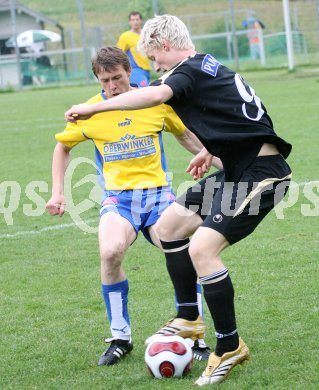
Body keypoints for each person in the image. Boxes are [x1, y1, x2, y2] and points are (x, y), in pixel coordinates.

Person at [64, 15, 292, 386]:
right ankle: (188, 316)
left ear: (165, 46)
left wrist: (95, 107)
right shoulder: (206, 65)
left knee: (203, 248)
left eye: (154, 59)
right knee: (170, 225)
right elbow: (236, 114)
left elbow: (153, 94)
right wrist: (213, 150)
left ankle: (229, 346)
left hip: (264, 174)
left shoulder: (185, 70)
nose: (155, 68)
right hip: (238, 168)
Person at [47, 46, 221, 367]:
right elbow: (62, 146)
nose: (112, 86)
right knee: (110, 251)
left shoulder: (154, 101)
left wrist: (222, 160)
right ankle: (120, 337)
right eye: (105, 80)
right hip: (119, 200)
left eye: (117, 77)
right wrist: (57, 192)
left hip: (159, 198)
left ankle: (194, 335)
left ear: (129, 71)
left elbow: (186, 137)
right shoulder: (91, 110)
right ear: (97, 79)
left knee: (190, 250)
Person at [117, 11, 152, 87]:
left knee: (141, 90)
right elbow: (118, 54)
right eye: (133, 20)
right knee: (144, 88)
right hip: (134, 69)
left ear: (141, 20)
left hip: (146, 69)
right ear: (129, 22)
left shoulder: (146, 34)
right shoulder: (125, 36)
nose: (135, 22)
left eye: (137, 19)